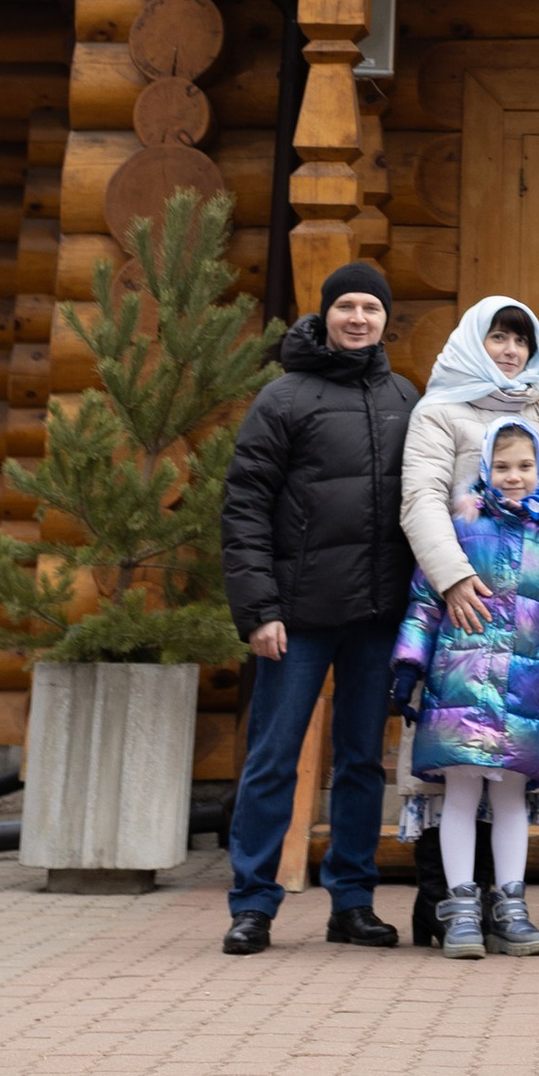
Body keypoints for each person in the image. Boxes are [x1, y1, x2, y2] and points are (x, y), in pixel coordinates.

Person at [218, 259, 419, 957]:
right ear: (325, 313)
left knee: (361, 762)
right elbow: (244, 507)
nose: (358, 318)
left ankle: (353, 902)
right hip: (296, 618)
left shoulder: (404, 397)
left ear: (385, 319)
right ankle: (253, 903)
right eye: (346, 306)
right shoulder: (283, 398)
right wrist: (258, 610)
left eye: (371, 307)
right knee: (274, 758)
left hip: (376, 616)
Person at [397, 293, 539, 941]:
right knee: (452, 776)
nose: (509, 349)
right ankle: (447, 906)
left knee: (505, 782)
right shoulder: (439, 409)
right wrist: (452, 577)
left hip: (524, 629)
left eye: (520, 339)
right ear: (475, 341)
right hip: (462, 617)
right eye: (498, 337)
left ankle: (505, 907)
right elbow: (421, 499)